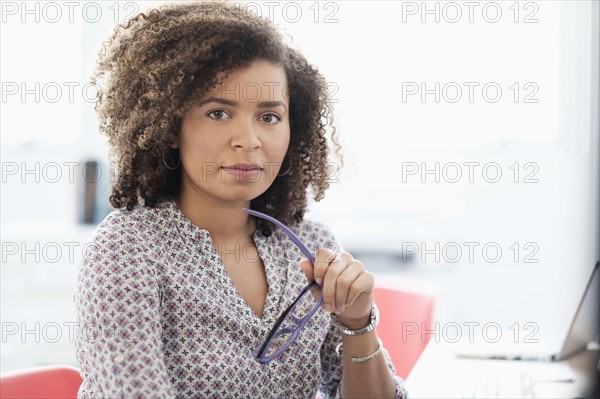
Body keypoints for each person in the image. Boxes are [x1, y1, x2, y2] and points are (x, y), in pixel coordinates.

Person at [74, 1, 408, 398]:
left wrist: (357, 322)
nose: (249, 140)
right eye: (218, 113)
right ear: (170, 127)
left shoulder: (310, 246)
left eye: (269, 117)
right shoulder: (127, 251)